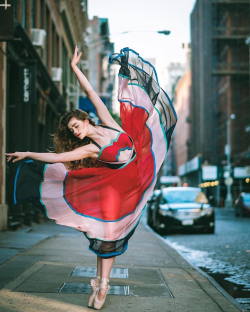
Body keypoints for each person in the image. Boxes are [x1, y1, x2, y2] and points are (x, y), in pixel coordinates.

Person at [6, 46, 177, 309]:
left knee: (109, 239)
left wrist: (74, 67)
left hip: (137, 179)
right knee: (106, 240)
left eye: (76, 125)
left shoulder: (109, 123)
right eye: (72, 130)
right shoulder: (90, 148)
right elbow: (57, 159)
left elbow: (90, 92)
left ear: (86, 120)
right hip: (114, 196)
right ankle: (102, 284)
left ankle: (102, 284)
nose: (75, 131)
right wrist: (27, 152)